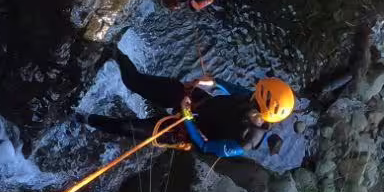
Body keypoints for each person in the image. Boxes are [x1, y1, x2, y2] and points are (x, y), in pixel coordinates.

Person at [80, 50, 295, 158]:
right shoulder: (252, 97)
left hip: (189, 130)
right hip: (196, 102)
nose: (252, 94)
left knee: (127, 127)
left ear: (263, 110)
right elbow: (224, 85)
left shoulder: (243, 143)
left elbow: (205, 146)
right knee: (135, 82)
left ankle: (85, 118)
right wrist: (207, 82)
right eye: (256, 93)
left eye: (256, 97)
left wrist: (187, 117)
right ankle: (113, 51)